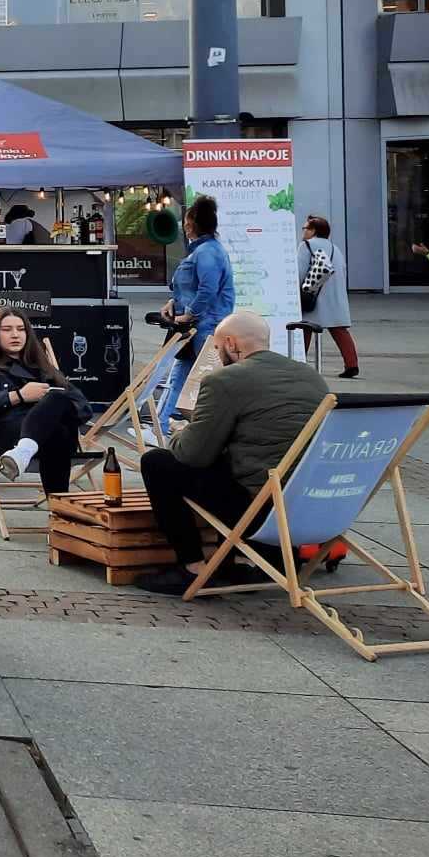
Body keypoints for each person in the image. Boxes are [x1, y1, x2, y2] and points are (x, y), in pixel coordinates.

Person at [135, 309, 329, 595]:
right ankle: (253, 558)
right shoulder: (311, 377)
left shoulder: (224, 381)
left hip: (260, 511)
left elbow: (192, 455)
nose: (216, 354)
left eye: (215, 347)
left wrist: (179, 432)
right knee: (242, 460)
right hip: (311, 508)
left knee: (157, 463)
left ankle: (191, 568)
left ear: (231, 344)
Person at [0, 307, 92, 492]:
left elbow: (83, 406)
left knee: (56, 401)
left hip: (47, 440)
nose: (15, 335)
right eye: (7, 329)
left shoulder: (41, 366)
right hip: (6, 437)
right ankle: (59, 509)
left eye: (21, 329)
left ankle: (24, 451)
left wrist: (50, 406)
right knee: (58, 430)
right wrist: (18, 396)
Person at [155, 195, 236, 428]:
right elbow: (192, 285)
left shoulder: (207, 252)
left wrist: (189, 313)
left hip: (205, 326)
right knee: (180, 374)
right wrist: (174, 302)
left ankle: (219, 429)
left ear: (190, 224)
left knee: (211, 378)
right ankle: (159, 425)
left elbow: (208, 288)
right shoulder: (202, 250)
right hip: (196, 325)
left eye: (186, 221)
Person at [298, 215, 357, 378]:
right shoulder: (334, 247)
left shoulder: (306, 246)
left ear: (314, 230)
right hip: (335, 296)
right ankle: (352, 364)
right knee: (339, 330)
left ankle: (299, 362)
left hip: (314, 296)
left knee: (305, 328)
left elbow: (300, 272)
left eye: (305, 228)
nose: (303, 231)